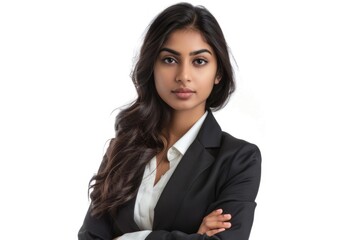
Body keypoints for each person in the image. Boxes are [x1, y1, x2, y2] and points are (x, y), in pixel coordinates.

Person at [78, 2, 261, 240]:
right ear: (152, 67)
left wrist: (130, 238)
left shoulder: (239, 159)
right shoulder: (123, 148)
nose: (183, 76)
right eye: (169, 60)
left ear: (218, 73)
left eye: (199, 61)